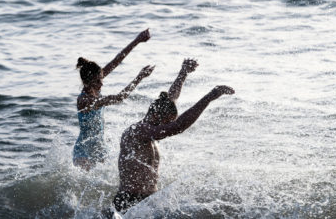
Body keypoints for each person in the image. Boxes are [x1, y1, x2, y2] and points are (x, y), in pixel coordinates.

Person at [112, 59, 235, 213]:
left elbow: (171, 98)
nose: (167, 126)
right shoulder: (138, 130)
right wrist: (209, 97)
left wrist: (183, 73)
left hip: (148, 201)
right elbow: (177, 127)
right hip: (129, 201)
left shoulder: (152, 127)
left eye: (169, 122)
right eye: (166, 122)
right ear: (156, 115)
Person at [73, 28, 154, 171]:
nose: (101, 83)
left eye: (101, 79)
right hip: (83, 151)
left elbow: (117, 60)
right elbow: (120, 97)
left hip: (100, 148)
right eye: (98, 81)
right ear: (87, 82)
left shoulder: (96, 88)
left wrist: (137, 41)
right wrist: (139, 77)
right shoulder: (84, 101)